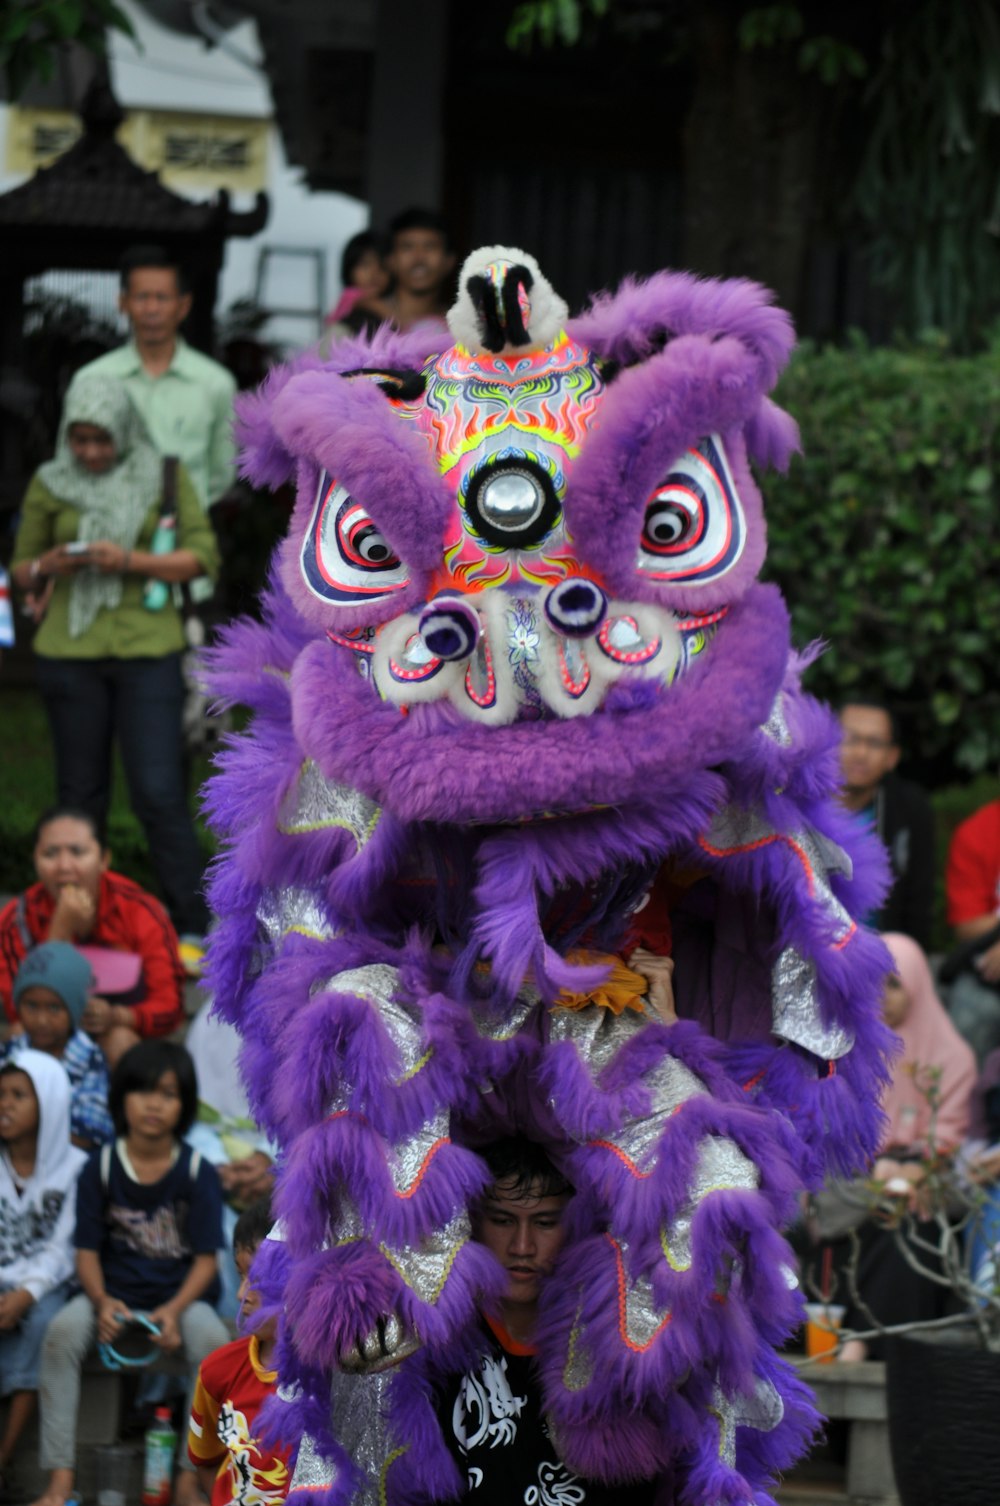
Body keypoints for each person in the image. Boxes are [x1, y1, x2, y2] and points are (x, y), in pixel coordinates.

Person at [10, 377, 218, 956]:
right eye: (80, 441)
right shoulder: (51, 483)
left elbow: (201, 557)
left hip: (146, 649)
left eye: (102, 440)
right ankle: (79, 923)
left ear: (123, 431)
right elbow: (20, 571)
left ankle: (194, 924)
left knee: (157, 792)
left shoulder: (163, 474)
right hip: (68, 652)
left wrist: (128, 559)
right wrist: (48, 563)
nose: (92, 453)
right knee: (80, 796)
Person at [31, 1040, 228, 1506]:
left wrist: (176, 1311)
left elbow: (206, 1260)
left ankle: (187, 1477)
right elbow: (85, 1252)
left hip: (181, 1300)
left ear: (183, 1104)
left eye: (168, 1093)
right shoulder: (99, 1167)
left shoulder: (198, 1171)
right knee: (59, 1336)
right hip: (111, 1295)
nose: (154, 1104)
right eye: (142, 1091)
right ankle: (60, 1480)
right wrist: (101, 1303)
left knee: (216, 1349)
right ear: (121, 1098)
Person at [437, 1138, 658, 1504]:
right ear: (472, 1222)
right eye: (503, 1220)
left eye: (544, 1222)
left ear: (577, 1227)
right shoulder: (432, 1353)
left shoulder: (619, 1355)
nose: (522, 1246)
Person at [803, 933, 976, 1362]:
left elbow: (950, 1140)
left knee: (908, 1226)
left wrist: (916, 1169)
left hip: (922, 1186)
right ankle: (850, 1341)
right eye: (875, 983)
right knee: (865, 1213)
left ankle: (857, 1345)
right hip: (851, 1183)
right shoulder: (844, 1049)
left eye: (895, 984)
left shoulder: (951, 1058)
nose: (883, 996)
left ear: (917, 985)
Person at [0, 807, 185, 1065]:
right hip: (46, 1040)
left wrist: (118, 1016)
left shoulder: (142, 911)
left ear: (104, 859)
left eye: (77, 852)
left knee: (120, 1040)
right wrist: (60, 931)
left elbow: (170, 1007)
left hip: (118, 1040)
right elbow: (17, 1012)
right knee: (18, 1036)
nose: (64, 867)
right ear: (35, 859)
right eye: (50, 853)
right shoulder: (15, 918)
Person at [64, 245, 237, 516]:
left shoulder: (215, 385)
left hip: (182, 542)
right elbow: (67, 467)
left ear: (183, 306)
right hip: (104, 534)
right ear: (122, 303)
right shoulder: (91, 379)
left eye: (162, 297)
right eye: (142, 297)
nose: (152, 309)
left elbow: (221, 476)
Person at [0, 1051, 86, 1492]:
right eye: (1, 1094)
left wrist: (26, 1293)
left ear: (49, 1102)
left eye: (18, 1095)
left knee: (43, 1324)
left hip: (46, 1284)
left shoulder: (75, 1168)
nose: (5, 1104)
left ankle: (4, 1456)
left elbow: (63, 1249)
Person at [187, 1196, 292, 1506]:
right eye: (241, 1275)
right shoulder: (217, 1371)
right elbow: (204, 1459)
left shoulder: (332, 1378)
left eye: (258, 1279)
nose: (241, 1294)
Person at [184, 1003, 275, 1319]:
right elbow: (192, 1110)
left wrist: (271, 1159)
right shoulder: (212, 1016)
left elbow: (316, 1112)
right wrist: (219, 1167)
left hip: (286, 1159)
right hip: (217, 1159)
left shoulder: (303, 1005)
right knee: (215, 1227)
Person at [838, 700, 935, 948]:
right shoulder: (799, 802)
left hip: (882, 954)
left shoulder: (911, 810)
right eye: (850, 738)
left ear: (892, 757)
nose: (861, 753)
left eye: (874, 743)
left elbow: (919, 904)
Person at [5, 941, 113, 1149]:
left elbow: (91, 1131)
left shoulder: (90, 1060)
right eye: (31, 1006)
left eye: (54, 1008)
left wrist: (27, 1126)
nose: (41, 1020)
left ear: (75, 1011)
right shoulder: (11, 1052)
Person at [944, 796, 1000, 1064]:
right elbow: (968, 925)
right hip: (987, 970)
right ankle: (965, 1105)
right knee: (972, 1016)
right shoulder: (978, 831)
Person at [347, 208, 456, 336]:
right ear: (390, 261)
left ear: (449, 262)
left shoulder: (464, 329)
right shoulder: (361, 321)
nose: (419, 257)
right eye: (407, 247)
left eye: (430, 246)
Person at [322, 230, 393, 344]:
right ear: (350, 269)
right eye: (365, 265)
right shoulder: (351, 297)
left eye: (383, 267)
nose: (374, 273)